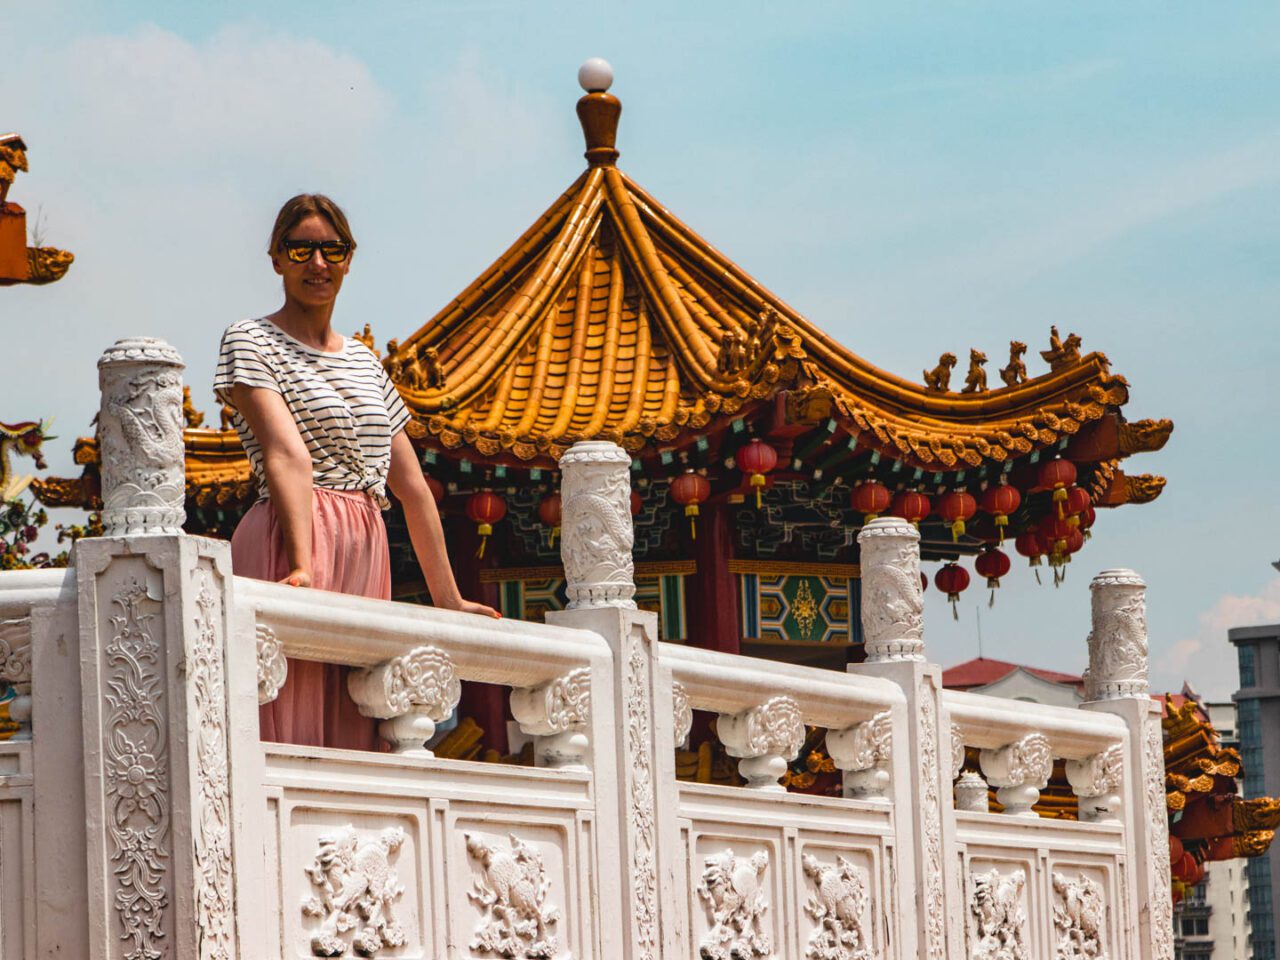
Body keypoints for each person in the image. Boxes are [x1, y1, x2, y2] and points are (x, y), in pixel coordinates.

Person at [215, 194, 498, 750]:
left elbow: (412, 487)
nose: (316, 263)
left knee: (353, 715)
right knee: (287, 714)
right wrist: (301, 562)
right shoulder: (250, 340)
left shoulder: (366, 361)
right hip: (291, 529)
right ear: (276, 259)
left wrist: (449, 597)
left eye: (331, 249)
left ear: (348, 258)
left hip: (365, 541)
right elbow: (286, 454)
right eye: (300, 250)